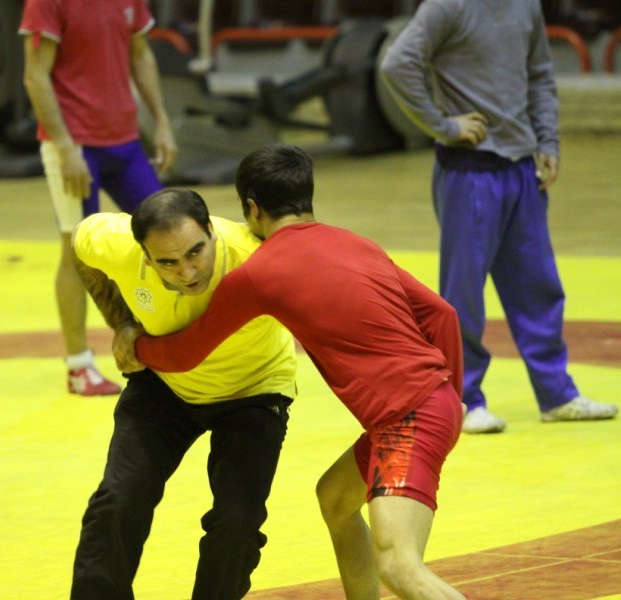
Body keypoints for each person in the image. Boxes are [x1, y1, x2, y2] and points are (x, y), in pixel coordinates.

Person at [131, 144, 467, 599]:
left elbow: (186, 353)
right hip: (432, 402)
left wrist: (136, 346)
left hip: (406, 419)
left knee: (398, 566)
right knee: (336, 499)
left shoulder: (259, 272)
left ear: (252, 208)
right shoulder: (357, 243)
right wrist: (452, 402)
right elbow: (442, 314)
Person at [378, 0, 617, 433]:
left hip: (522, 167)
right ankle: (464, 399)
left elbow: (540, 75)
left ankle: (556, 395)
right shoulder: (447, 6)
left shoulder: (525, 5)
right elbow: (396, 65)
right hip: (469, 170)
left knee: (538, 286)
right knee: (464, 293)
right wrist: (443, 126)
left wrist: (548, 140)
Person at [69, 189, 298, 598]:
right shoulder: (117, 243)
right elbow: (80, 244)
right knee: (118, 500)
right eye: (168, 263)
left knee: (237, 520)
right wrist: (122, 322)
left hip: (253, 390)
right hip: (164, 383)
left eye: (196, 252)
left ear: (211, 230)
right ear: (144, 255)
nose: (188, 272)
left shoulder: (254, 257)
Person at [20, 0, 178, 395]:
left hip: (124, 140)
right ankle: (78, 366)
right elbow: (35, 75)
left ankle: (172, 344)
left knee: (167, 231)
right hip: (74, 143)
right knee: (75, 250)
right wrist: (63, 146)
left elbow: (141, 54)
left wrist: (162, 121)